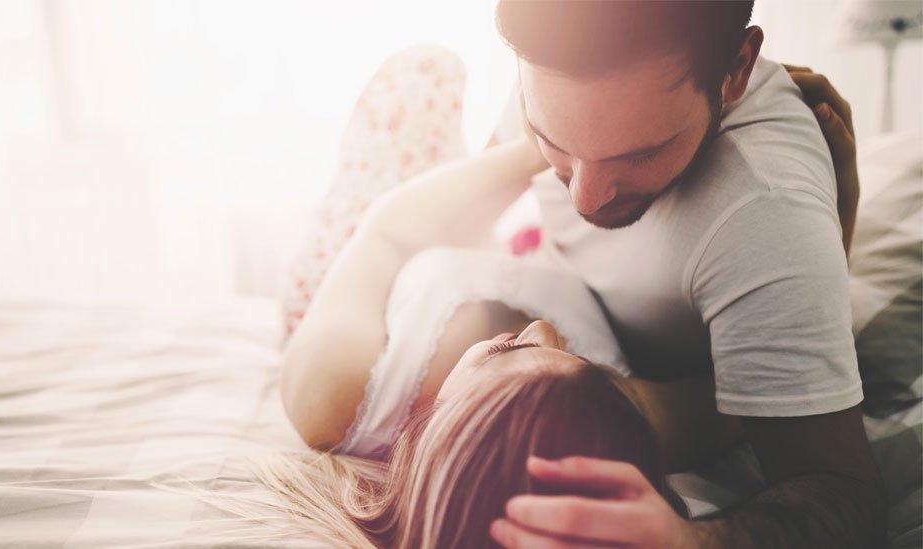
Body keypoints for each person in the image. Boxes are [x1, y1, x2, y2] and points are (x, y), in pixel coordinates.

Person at [276, 28, 873, 549]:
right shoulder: (607, 419)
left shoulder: (334, 395)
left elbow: (384, 233)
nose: (584, 202)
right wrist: (838, 215)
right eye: (585, 364)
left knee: (418, 82)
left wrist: (534, 151)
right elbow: (754, 400)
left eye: (639, 151)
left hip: (397, 254)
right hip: (516, 253)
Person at [488, 1, 882, 547]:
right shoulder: (550, 57)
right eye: (552, 142)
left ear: (737, 69)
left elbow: (842, 491)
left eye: (640, 155)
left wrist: (694, 541)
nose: (585, 197)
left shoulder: (765, 215)